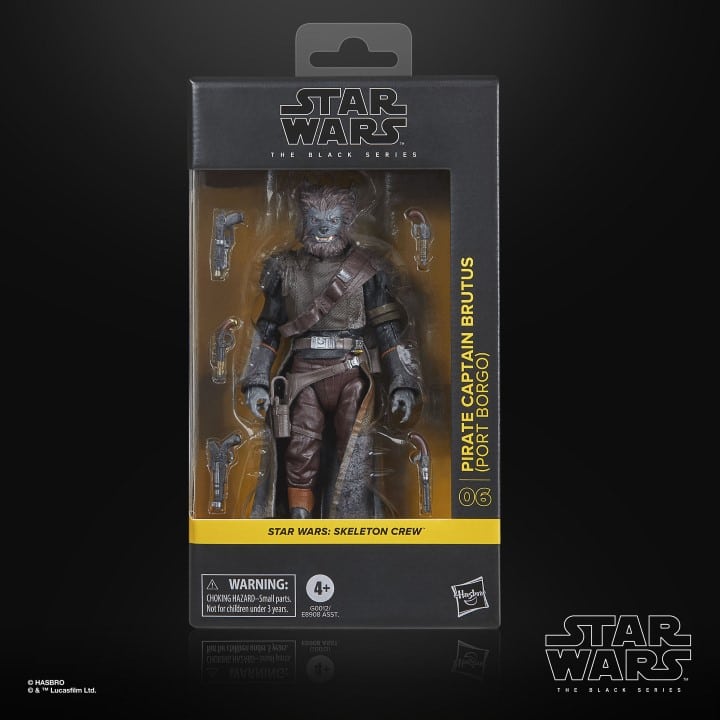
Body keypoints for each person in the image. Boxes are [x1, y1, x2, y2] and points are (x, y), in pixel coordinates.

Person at [241, 184, 423, 519]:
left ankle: (353, 517)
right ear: (304, 220)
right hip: (302, 376)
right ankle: (298, 514)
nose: (323, 227)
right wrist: (256, 379)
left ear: (347, 222)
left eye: (332, 220)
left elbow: (387, 330)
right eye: (315, 219)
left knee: (355, 449)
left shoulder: (369, 270)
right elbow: (267, 328)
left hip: (351, 373)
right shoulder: (283, 268)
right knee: (300, 446)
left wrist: (402, 381)